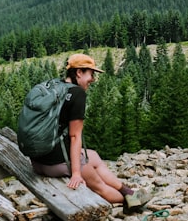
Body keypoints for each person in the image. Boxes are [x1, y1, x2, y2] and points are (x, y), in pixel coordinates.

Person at [29, 53, 146, 207]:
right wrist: (76, 173)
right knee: (99, 186)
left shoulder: (56, 86)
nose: (93, 79)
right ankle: (132, 200)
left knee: (94, 156)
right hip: (54, 164)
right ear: (79, 72)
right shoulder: (77, 94)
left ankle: (127, 191)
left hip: (37, 160)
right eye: (91, 74)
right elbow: (75, 136)